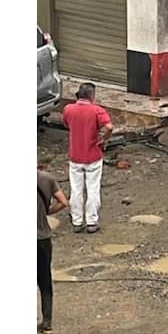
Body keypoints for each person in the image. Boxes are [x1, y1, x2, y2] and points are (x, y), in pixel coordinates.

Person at [61, 82, 113, 233]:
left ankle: (77, 221)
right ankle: (91, 221)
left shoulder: (68, 109)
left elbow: (66, 124)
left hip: (75, 156)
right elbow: (109, 127)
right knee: (93, 188)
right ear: (92, 95)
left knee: (76, 189)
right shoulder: (97, 110)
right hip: (93, 155)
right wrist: (105, 139)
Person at [37, 167, 69, 334]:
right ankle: (47, 321)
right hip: (42, 239)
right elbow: (63, 202)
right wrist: (46, 212)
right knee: (45, 281)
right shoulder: (47, 178)